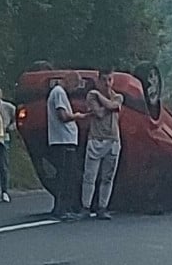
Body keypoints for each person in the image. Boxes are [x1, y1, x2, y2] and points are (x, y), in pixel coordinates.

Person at [80, 69, 124, 220]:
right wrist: (108, 105)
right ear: (99, 81)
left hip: (113, 140)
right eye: (104, 80)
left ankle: (102, 207)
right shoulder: (91, 95)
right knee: (90, 176)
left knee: (108, 177)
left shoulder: (118, 96)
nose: (107, 83)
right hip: (96, 139)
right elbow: (99, 113)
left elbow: (114, 106)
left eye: (109, 80)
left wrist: (101, 98)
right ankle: (86, 206)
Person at [47, 71, 88, 220]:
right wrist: (76, 116)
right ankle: (62, 209)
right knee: (66, 176)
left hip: (65, 140)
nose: (75, 89)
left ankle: (63, 207)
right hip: (63, 140)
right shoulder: (59, 92)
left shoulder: (59, 92)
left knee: (67, 175)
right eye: (75, 85)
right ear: (69, 80)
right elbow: (62, 116)